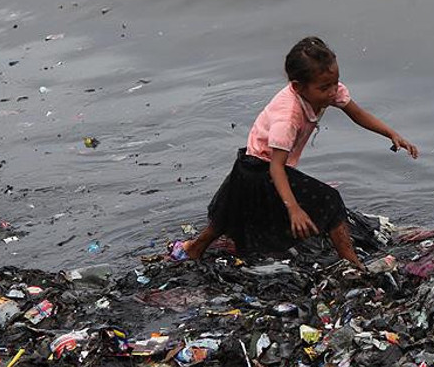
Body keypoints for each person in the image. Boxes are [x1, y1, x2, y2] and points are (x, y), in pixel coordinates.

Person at [172, 36, 418, 269]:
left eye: (335, 82)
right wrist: (294, 209)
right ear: (298, 87)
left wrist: (391, 133)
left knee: (232, 211)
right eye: (325, 88)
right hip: (259, 167)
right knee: (330, 201)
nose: (333, 92)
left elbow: (356, 113)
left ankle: (194, 248)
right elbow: (276, 167)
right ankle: (352, 263)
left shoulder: (326, 89)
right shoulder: (287, 117)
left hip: (251, 163)